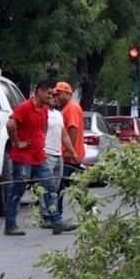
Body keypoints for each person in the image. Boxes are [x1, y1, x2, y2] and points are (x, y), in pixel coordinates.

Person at [3, 80, 52, 236]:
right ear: (39, 91)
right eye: (48, 93)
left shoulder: (44, 109)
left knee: (49, 187)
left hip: (39, 156)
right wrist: (16, 142)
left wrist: (40, 140)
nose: (51, 97)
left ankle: (55, 221)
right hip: (24, 157)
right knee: (18, 190)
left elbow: (43, 127)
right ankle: (10, 225)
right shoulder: (24, 107)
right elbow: (10, 125)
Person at [41, 90, 80, 233]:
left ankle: (53, 216)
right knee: (47, 186)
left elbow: (64, 136)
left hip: (58, 155)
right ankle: (46, 217)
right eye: (52, 96)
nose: (54, 98)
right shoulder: (43, 113)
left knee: (56, 188)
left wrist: (72, 152)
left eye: (56, 96)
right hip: (46, 153)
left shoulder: (58, 114)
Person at [52, 81, 86, 216]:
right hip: (71, 154)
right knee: (72, 185)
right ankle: (89, 208)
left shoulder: (71, 108)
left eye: (59, 94)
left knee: (60, 186)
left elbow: (73, 129)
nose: (57, 97)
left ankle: (56, 215)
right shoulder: (67, 108)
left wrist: (68, 151)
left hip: (70, 156)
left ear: (68, 94)